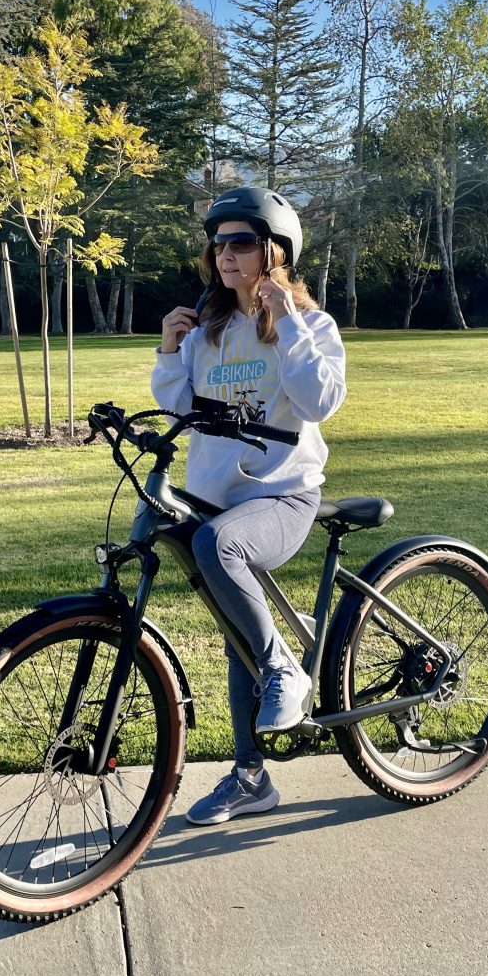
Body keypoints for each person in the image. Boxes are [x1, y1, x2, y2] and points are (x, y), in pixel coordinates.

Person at [151, 186, 347, 825]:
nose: (225, 253)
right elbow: (182, 407)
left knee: (220, 550)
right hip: (217, 498)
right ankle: (250, 778)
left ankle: (282, 669)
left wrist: (287, 321)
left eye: (240, 241)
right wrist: (169, 349)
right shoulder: (210, 331)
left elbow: (320, 402)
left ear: (273, 252)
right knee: (219, 598)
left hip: (283, 497)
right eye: (219, 242)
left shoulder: (310, 326)